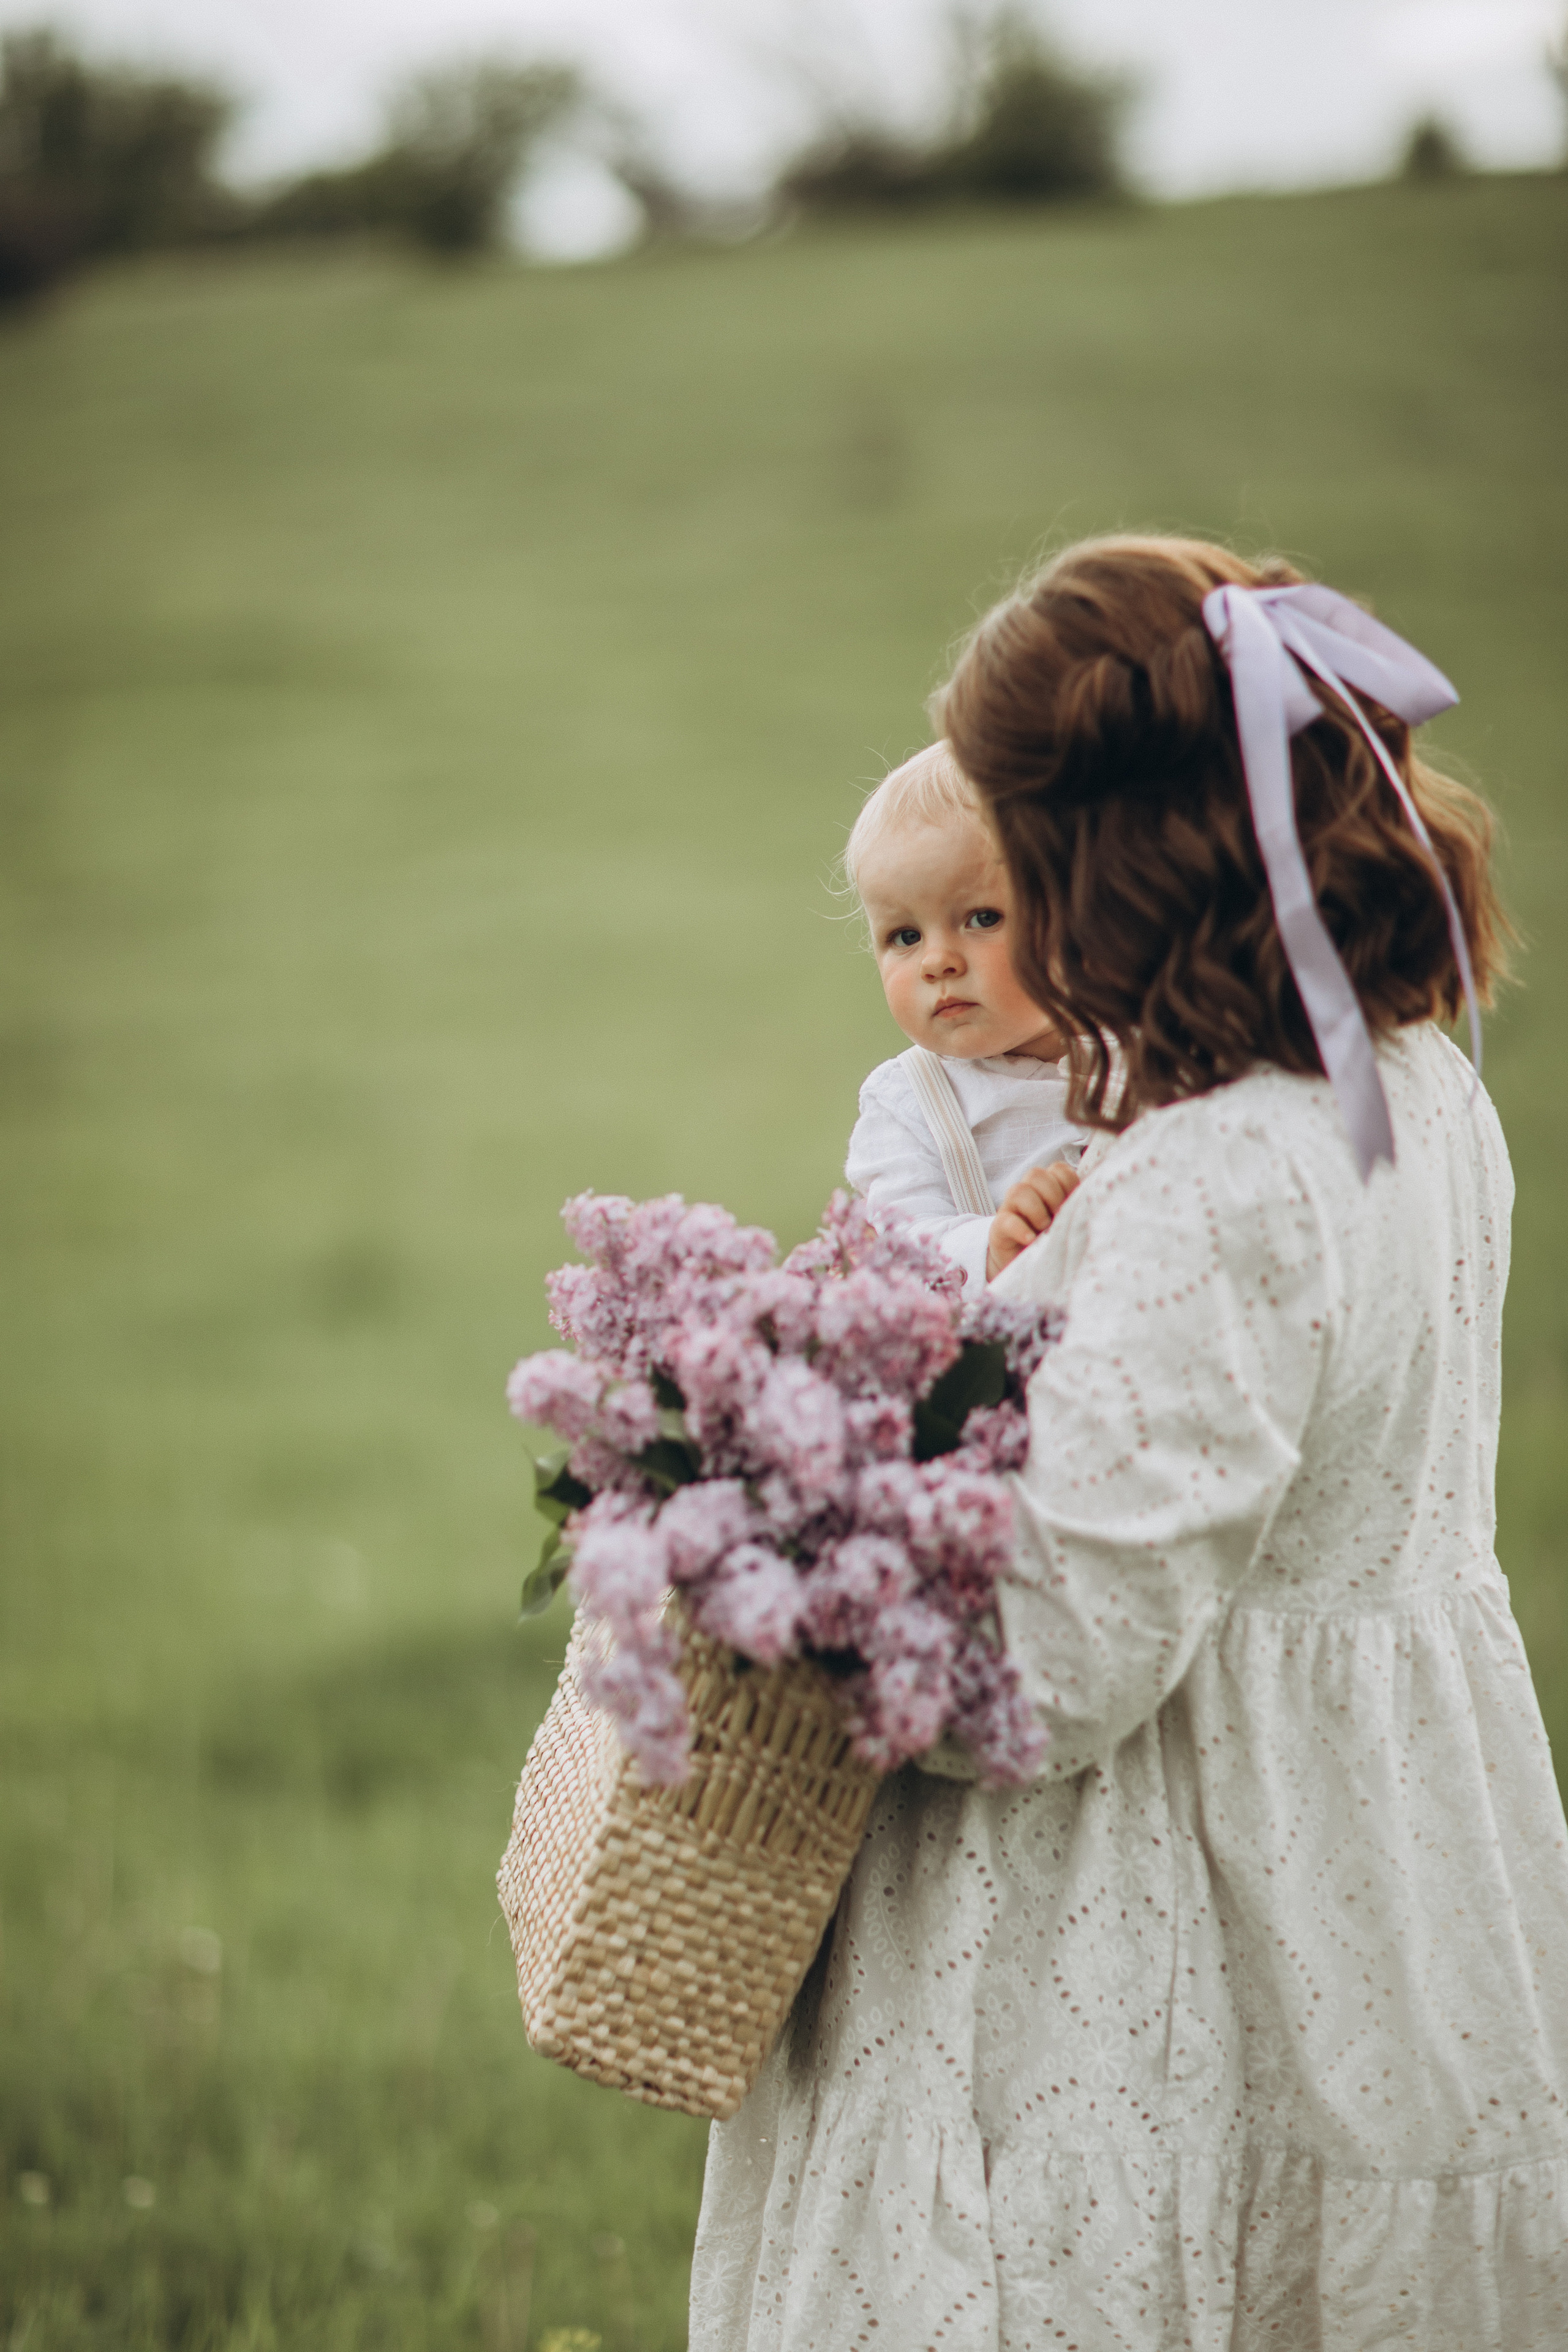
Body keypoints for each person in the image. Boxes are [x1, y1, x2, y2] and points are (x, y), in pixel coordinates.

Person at [690, 535, 1568, 2350]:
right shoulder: (1413, 1076)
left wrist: (759, 1576)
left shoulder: (1215, 1167)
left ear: (1107, 856)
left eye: (1014, 865)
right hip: (1399, 1842)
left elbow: (1055, 1652)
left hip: (1179, 1894)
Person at [842, 742, 1085, 1289]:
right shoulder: (909, 1103)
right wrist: (991, 1248)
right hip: (1012, 1363)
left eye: (981, 918)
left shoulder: (1146, 1047)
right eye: (905, 936)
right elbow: (900, 1250)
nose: (937, 961)